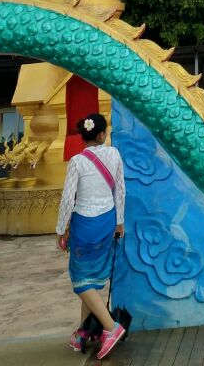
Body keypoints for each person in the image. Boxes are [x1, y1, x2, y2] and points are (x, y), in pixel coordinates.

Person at [56, 112, 127, 359]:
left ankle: (110, 327)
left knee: (80, 279)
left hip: (85, 225)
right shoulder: (114, 154)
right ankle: (84, 332)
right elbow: (120, 190)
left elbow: (68, 198)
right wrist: (119, 221)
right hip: (107, 221)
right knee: (93, 279)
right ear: (101, 134)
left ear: (85, 137)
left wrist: (60, 228)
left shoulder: (77, 161)